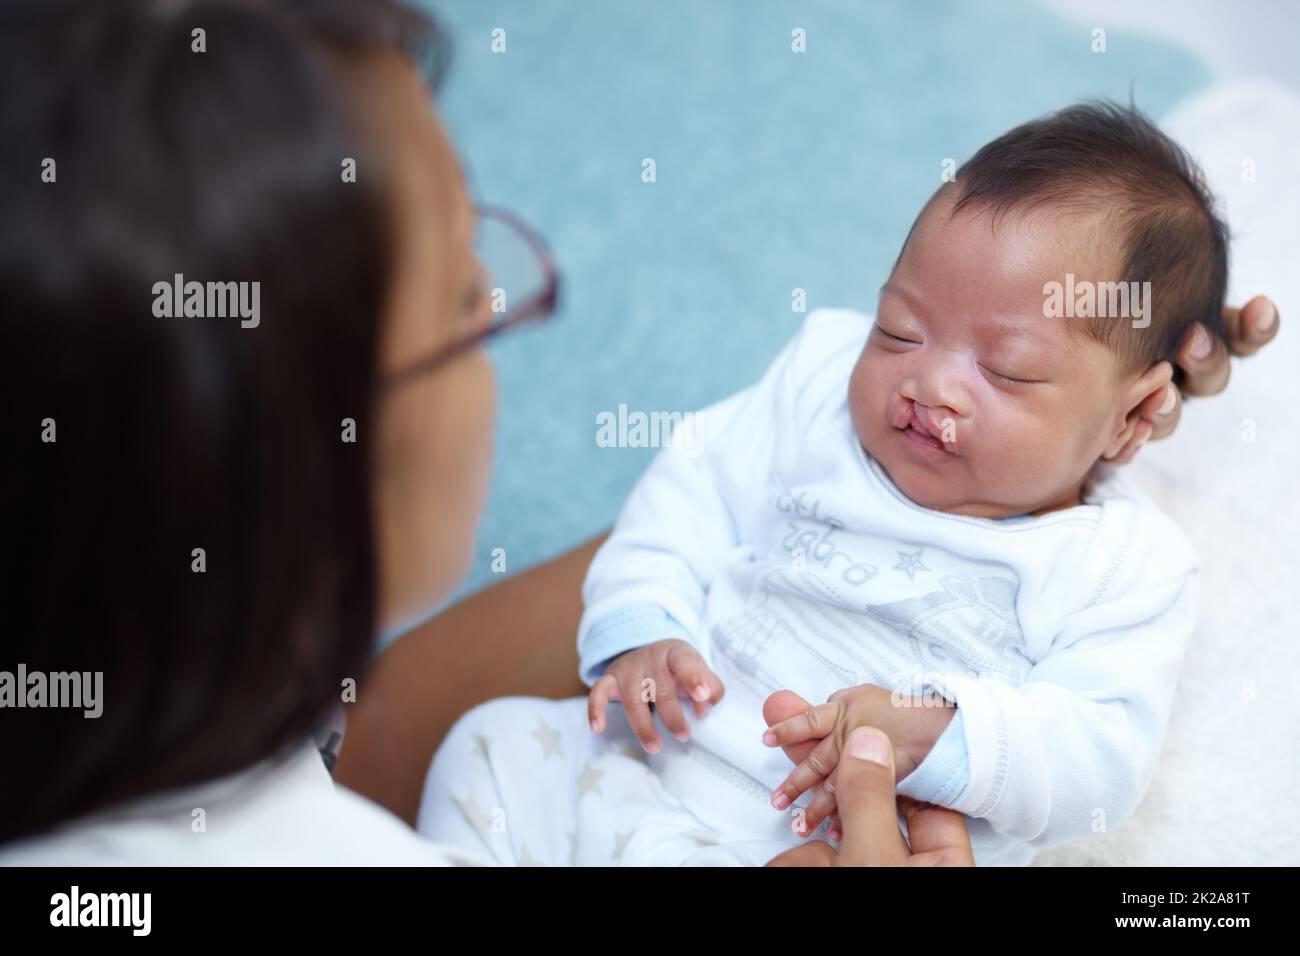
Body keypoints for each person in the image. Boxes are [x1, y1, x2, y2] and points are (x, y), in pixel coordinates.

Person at [0, 0, 1280, 867]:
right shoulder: (813, 385)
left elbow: (1099, 744)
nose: (924, 383)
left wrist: (965, 704)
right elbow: (688, 497)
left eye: (1001, 365)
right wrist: (641, 625)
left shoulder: (1122, 565)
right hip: (638, 759)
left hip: (759, 814)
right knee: (492, 747)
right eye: (464, 299)